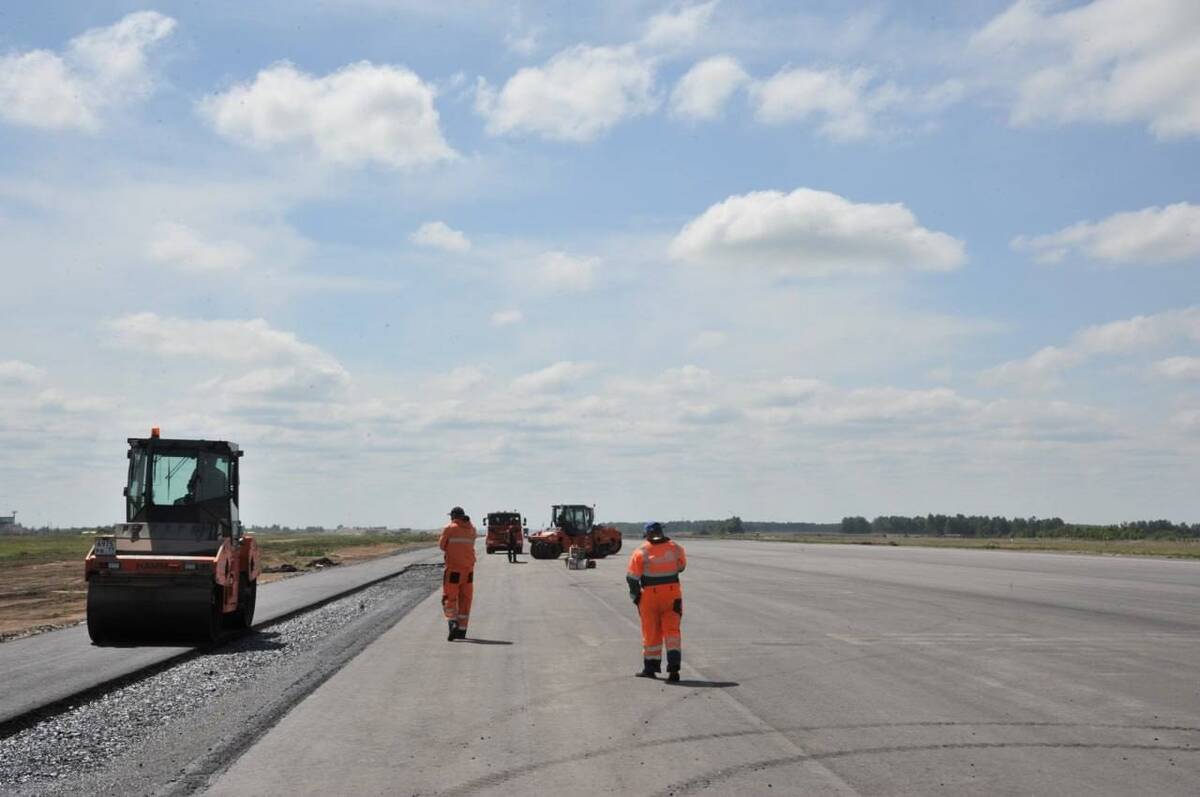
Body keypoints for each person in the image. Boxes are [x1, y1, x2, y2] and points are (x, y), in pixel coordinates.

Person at [626, 521, 687, 682]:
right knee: (672, 632)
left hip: (649, 597)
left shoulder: (641, 551)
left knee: (651, 633)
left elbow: (632, 578)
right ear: (662, 531)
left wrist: (636, 596)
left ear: (646, 534)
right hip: (672, 595)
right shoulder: (675, 548)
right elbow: (681, 567)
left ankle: (650, 669)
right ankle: (674, 669)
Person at [439, 506, 477, 641]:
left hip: (454, 571)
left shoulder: (450, 528)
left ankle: (452, 622)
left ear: (454, 516)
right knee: (465, 600)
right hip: (468, 572)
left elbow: (442, 546)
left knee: (449, 598)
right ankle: (462, 631)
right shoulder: (472, 529)